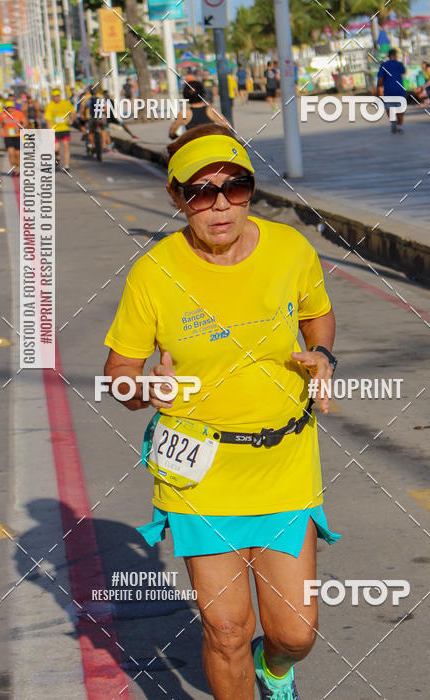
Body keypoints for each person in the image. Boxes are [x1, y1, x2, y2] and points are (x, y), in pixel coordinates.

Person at [103, 123, 340, 700]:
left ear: (250, 189)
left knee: (297, 632)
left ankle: (276, 667)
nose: (219, 205)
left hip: (283, 461)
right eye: (200, 192)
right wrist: (144, 392)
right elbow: (119, 379)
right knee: (228, 629)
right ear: (177, 197)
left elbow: (318, 313)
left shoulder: (290, 250)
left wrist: (324, 356)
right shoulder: (155, 273)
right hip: (199, 470)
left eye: (234, 187)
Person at [377, 48, 407, 134]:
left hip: (388, 90)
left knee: (388, 108)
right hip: (399, 90)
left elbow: (380, 79)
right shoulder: (399, 64)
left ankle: (393, 121)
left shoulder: (383, 65)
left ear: (388, 56)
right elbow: (403, 72)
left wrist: (378, 89)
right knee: (400, 109)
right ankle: (400, 126)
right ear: (396, 55)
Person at [44, 89, 76, 170]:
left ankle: (66, 165)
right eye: (55, 96)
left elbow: (73, 113)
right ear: (52, 97)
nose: (56, 98)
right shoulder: (50, 105)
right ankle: (57, 156)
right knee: (56, 148)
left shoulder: (66, 103)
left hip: (65, 129)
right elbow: (48, 119)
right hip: (55, 130)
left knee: (66, 147)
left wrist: (71, 120)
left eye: (58, 96)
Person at [0, 99, 27, 175]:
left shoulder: (19, 114)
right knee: (11, 153)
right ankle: (14, 169)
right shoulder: (3, 114)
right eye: (8, 107)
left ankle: (18, 167)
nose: (9, 109)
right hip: (8, 136)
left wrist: (20, 127)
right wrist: (1, 132)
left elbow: (25, 123)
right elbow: (0, 125)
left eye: (11, 107)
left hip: (17, 136)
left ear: (13, 107)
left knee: (17, 154)